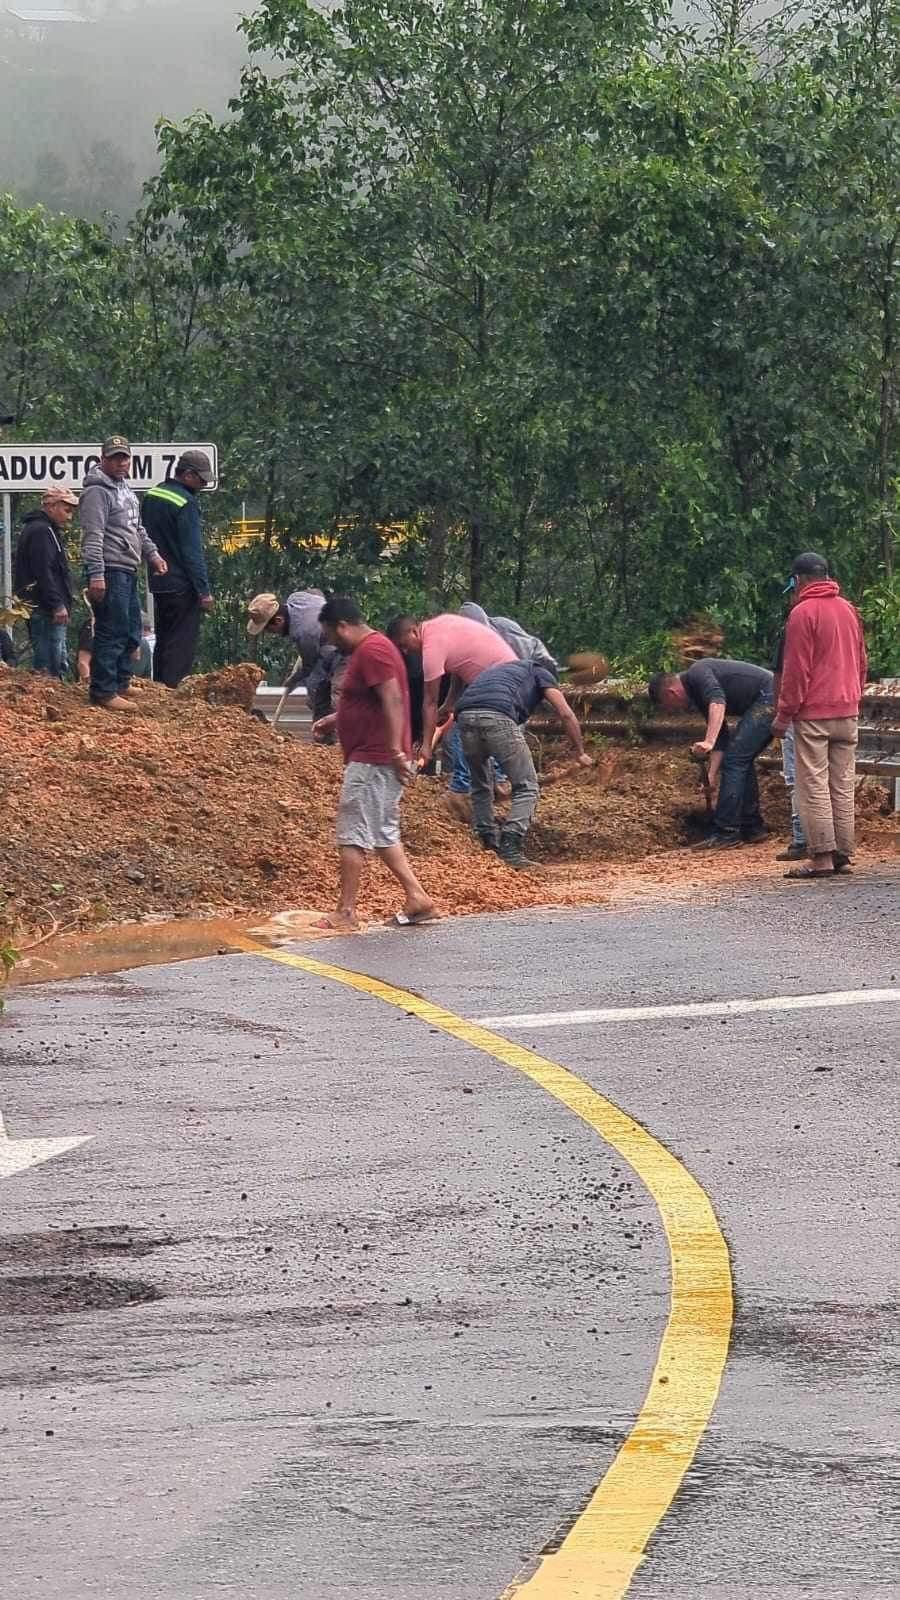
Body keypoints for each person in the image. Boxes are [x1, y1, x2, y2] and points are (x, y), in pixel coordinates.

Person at [311, 595, 437, 930]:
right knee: (382, 831)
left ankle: (346, 912)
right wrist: (336, 719)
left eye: (332, 635)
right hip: (378, 756)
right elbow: (371, 702)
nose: (334, 643)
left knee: (353, 833)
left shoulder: (373, 650)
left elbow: (393, 698)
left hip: (374, 759)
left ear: (343, 626)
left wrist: (395, 751)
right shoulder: (377, 649)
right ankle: (417, 897)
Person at [772, 552, 867, 880]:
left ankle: (822, 857)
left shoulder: (802, 614)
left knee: (812, 783)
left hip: (814, 713)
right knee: (841, 783)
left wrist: (784, 715)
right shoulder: (849, 610)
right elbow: (861, 661)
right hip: (847, 709)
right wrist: (854, 696)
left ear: (798, 580)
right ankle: (842, 852)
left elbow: (796, 672)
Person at [455, 660, 592, 867]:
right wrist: (580, 752)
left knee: (481, 784)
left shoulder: (502, 670)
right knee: (527, 786)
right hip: (497, 717)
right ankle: (510, 846)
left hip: (464, 717)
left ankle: (487, 841)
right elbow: (565, 713)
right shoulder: (541, 672)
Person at [648, 659, 775, 847]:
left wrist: (708, 741)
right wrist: (711, 775)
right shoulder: (697, 695)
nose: (673, 710)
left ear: (671, 693)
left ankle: (727, 832)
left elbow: (717, 701)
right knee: (740, 760)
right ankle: (752, 828)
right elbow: (722, 736)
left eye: (667, 706)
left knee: (735, 760)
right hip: (766, 699)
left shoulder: (697, 673)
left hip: (770, 696)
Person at [81, 437, 167, 711]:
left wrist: (152, 554)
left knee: (131, 628)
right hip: (109, 567)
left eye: (124, 457)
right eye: (115, 457)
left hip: (128, 567)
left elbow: (137, 529)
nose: (121, 463)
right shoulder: (97, 492)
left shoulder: (125, 490)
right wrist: (97, 574)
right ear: (102, 459)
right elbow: (93, 535)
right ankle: (103, 691)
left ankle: (121, 681)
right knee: (112, 629)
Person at [386, 612, 516, 761]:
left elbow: (430, 701)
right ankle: (487, 782)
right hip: (507, 679)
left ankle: (483, 781)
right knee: (468, 739)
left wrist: (427, 746)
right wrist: (449, 703)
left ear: (414, 631)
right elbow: (459, 666)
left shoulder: (431, 647)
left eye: (403, 645)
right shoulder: (441, 624)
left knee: (458, 736)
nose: (405, 652)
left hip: (501, 687)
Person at [142, 450, 214, 688]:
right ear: (188, 474)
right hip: (182, 584)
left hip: (158, 581)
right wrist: (203, 591)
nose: (203, 485)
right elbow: (192, 552)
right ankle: (174, 692)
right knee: (181, 642)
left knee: (163, 639)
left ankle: (159, 688)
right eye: (201, 479)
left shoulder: (152, 495)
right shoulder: (186, 502)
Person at [247, 586, 344, 720]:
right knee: (315, 687)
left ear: (279, 620)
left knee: (317, 691)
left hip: (343, 646)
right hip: (325, 640)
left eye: (269, 630)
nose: (272, 634)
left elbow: (309, 666)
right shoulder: (296, 598)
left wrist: (292, 680)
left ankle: (331, 735)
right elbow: (317, 593)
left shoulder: (304, 633)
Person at [13, 486, 79, 679]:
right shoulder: (41, 531)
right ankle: (46, 704)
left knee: (55, 662)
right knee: (49, 665)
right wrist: (57, 604)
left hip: (45, 607)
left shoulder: (45, 529)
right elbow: (43, 571)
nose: (70, 517)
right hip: (44, 609)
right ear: (51, 506)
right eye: (66, 510)